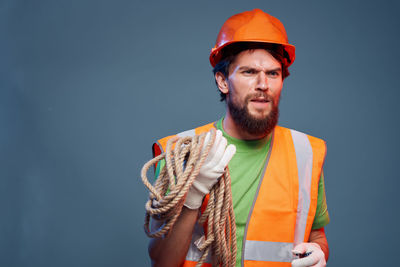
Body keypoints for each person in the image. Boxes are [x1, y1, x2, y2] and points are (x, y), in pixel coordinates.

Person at [148, 9, 329, 267]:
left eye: (273, 73)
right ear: (222, 81)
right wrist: (192, 196)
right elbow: (162, 262)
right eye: (249, 72)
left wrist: (319, 252)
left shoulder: (306, 153)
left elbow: (317, 235)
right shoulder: (181, 153)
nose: (263, 84)